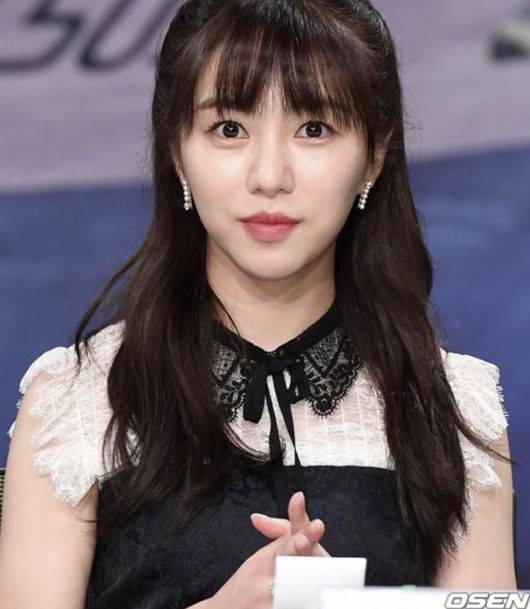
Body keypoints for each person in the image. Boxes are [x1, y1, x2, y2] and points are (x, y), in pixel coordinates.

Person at [0, 0, 518, 607]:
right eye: (230, 129)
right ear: (176, 150)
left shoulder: (451, 409)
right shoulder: (77, 399)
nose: (270, 176)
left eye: (314, 129)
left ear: (374, 156)